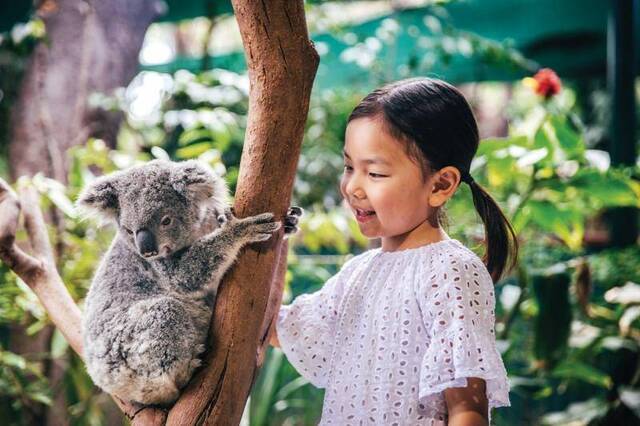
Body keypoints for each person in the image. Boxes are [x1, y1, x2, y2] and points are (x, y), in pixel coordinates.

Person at [270, 78, 518, 425]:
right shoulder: (357, 273)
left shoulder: (450, 270)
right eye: (349, 167)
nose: (353, 187)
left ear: (441, 184)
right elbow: (277, 327)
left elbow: (467, 410)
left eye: (374, 172)